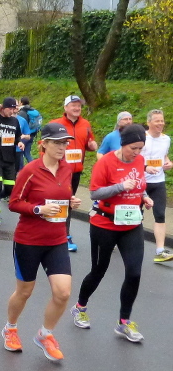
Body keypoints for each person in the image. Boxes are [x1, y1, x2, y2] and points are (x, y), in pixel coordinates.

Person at [3, 123, 81, 361]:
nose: (62, 147)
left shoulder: (67, 168)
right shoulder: (30, 170)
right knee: (24, 291)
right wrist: (38, 209)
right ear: (44, 144)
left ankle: (45, 334)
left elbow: (62, 195)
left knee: (63, 293)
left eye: (65, 143)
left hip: (56, 240)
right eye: (57, 143)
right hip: (29, 240)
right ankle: (10, 328)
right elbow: (14, 203)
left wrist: (71, 202)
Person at [70, 125, 151, 342]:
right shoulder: (105, 162)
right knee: (99, 270)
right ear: (123, 144)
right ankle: (80, 307)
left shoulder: (139, 161)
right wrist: (121, 186)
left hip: (131, 224)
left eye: (140, 148)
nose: (137, 153)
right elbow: (95, 193)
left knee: (134, 273)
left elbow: (140, 184)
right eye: (133, 148)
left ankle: (124, 322)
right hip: (104, 224)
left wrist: (144, 197)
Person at [50, 95, 98, 252]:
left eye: (79, 106)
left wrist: (92, 145)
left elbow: (89, 142)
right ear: (66, 107)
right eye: (74, 105)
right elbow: (43, 145)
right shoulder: (56, 124)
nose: (77, 108)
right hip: (60, 171)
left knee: (68, 202)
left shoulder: (86, 124)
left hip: (76, 171)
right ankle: (63, 235)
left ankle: (62, 234)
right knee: (62, 200)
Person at [140, 109, 173, 262]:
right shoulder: (142, 138)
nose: (160, 123)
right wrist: (145, 167)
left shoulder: (166, 139)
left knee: (160, 214)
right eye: (157, 121)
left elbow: (164, 156)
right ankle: (119, 240)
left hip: (158, 182)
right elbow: (132, 158)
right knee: (135, 215)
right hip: (140, 182)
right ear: (149, 122)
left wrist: (169, 163)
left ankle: (160, 250)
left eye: (162, 120)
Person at [0, 97, 21, 225]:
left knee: (10, 188)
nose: (12, 111)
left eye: (14, 109)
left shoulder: (14, 121)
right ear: (3, 108)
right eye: (9, 109)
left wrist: (20, 142)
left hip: (9, 159)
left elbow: (17, 136)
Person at [16, 97, 42, 165]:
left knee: (20, 153)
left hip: (25, 136)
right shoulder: (32, 110)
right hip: (32, 134)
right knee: (27, 153)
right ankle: (34, 167)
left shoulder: (22, 112)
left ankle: (21, 169)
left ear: (21, 103)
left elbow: (21, 125)